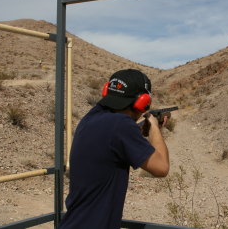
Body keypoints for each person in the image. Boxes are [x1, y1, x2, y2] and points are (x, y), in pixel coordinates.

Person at [59, 69, 170, 229]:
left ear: (107, 90)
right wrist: (153, 126)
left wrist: (139, 130)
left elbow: (112, 142)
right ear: (142, 102)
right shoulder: (121, 125)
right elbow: (162, 168)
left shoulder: (90, 118)